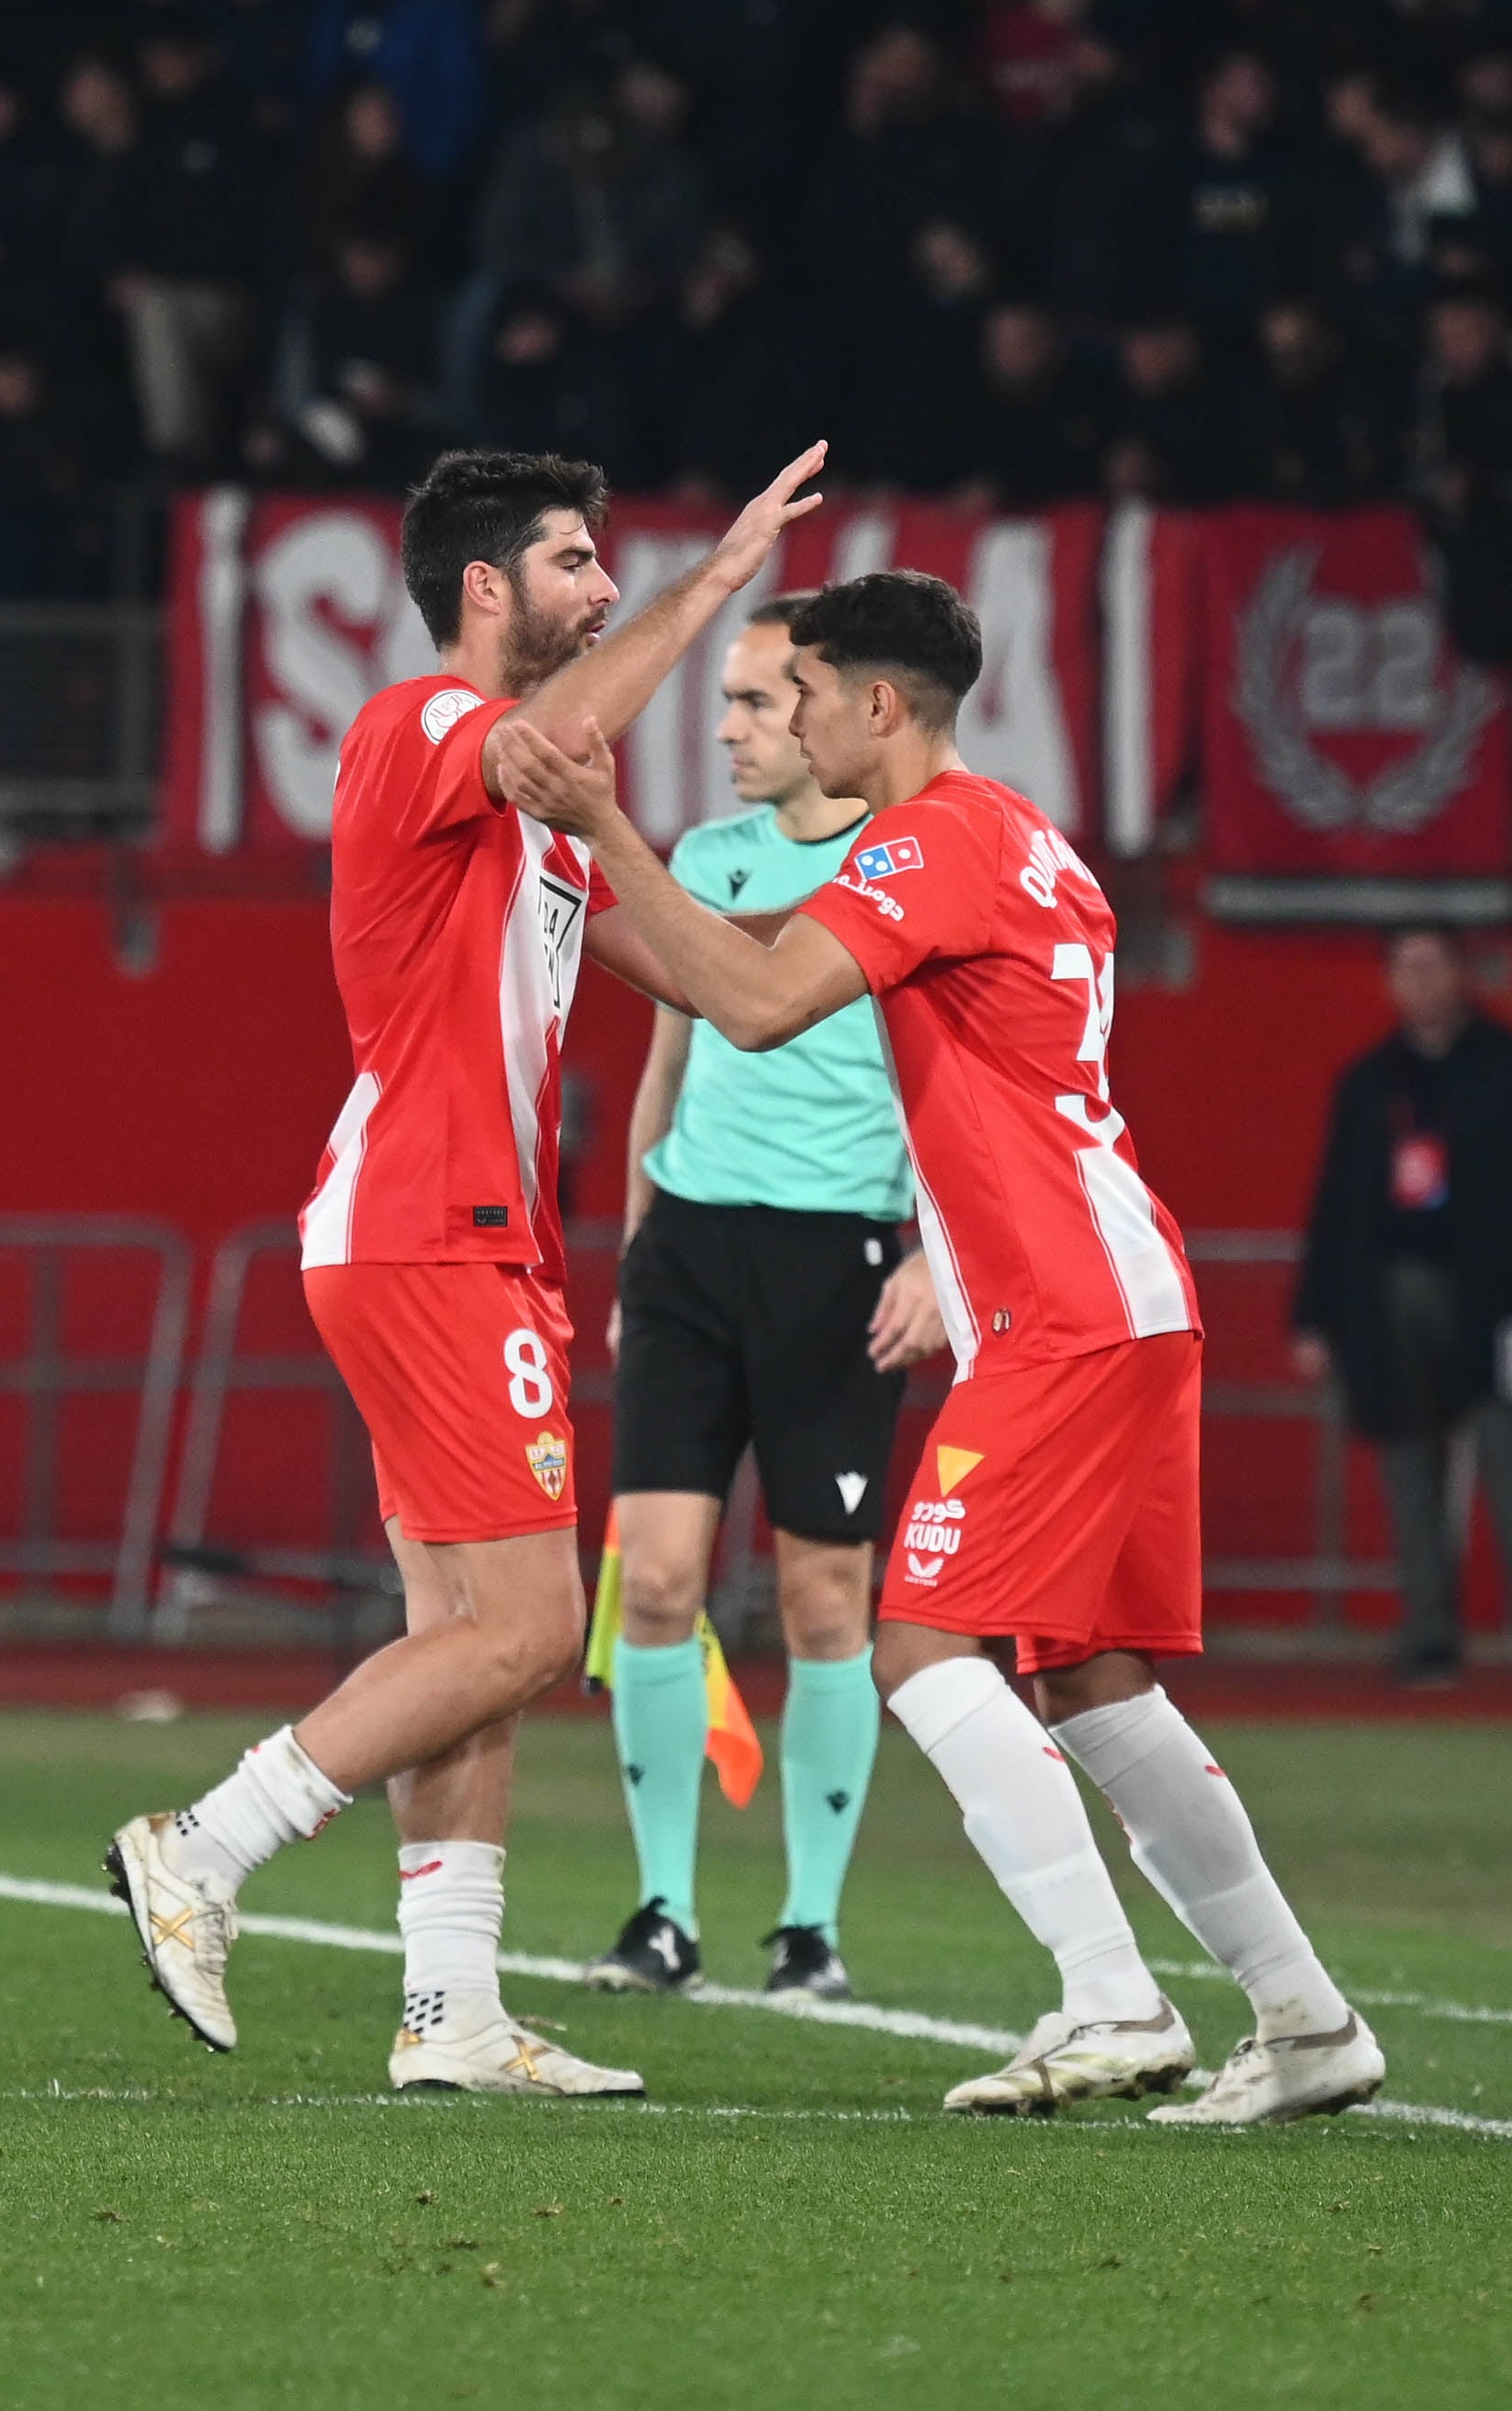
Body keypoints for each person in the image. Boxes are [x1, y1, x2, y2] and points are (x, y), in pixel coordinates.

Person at [494, 568, 1386, 2127]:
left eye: (811, 693)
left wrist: (606, 824)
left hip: (1067, 1307)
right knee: (1096, 1681)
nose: (794, 717)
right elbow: (724, 959)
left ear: (882, 708)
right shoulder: (1016, 838)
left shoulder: (937, 836)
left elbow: (756, 1004)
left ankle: (1111, 1997)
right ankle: (1308, 2021)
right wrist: (561, 861)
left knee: (917, 1637)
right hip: (1121, 1291)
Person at [107, 440, 833, 2099]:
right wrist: (712, 585)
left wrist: (905, 917)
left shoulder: (546, 819)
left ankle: (451, 2011)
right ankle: (201, 1846)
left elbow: (738, 990)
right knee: (525, 1624)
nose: (601, 585)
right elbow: (549, 741)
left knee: (465, 1633)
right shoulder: (418, 726)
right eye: (578, 559)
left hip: (459, 1236)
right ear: (488, 586)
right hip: (434, 1228)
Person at [586, 600, 946, 2005]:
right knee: (658, 1585)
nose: (728, 727)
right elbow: (665, 1069)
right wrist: (633, 1250)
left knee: (821, 1600)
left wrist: (933, 1255)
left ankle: (810, 1926)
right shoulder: (705, 857)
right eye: (726, 701)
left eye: (752, 701)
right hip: (688, 1255)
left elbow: (949, 1084)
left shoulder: (908, 867)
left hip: (838, 1258)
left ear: (827, 708)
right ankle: (661, 1911)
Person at [1287, 929, 1512, 1687]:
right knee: (1408, 1466)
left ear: (1461, 975)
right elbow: (1333, 1204)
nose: (1418, 982)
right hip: (1387, 1296)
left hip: (1493, 1297)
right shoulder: (1368, 1081)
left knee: (1509, 1457)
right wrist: (1312, 1317)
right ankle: (1429, 1633)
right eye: (1404, 969)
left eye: (1432, 966)